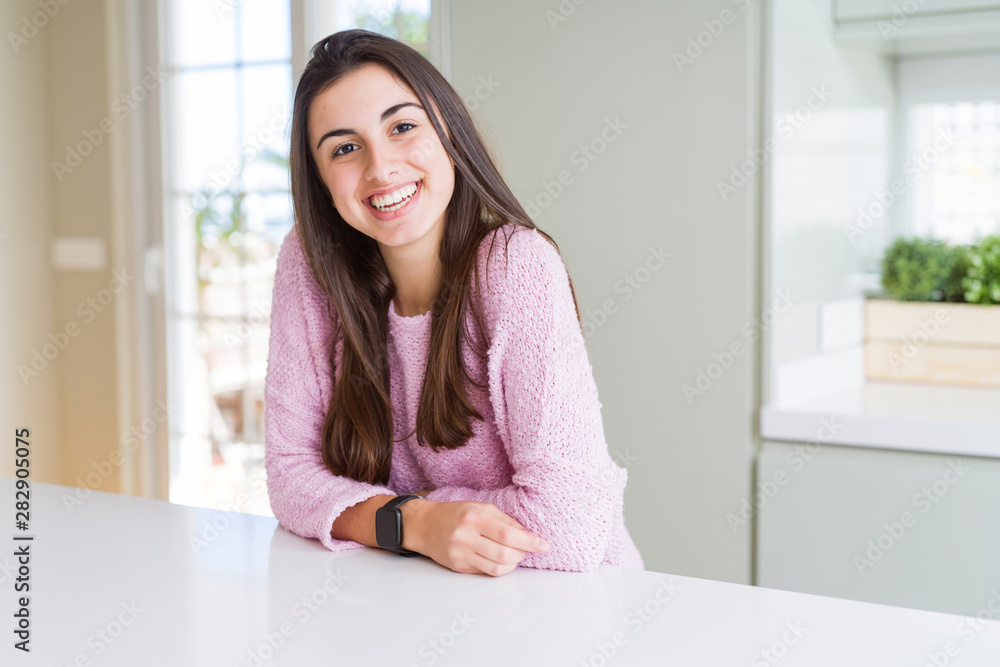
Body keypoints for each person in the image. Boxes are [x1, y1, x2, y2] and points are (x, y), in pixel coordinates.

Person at [264, 29, 643, 577]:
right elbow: (290, 477)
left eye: (402, 127)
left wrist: (372, 515)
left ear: (447, 131)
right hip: (418, 598)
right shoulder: (309, 263)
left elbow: (569, 524)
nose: (381, 168)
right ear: (320, 181)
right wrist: (416, 525)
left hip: (568, 609)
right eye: (345, 148)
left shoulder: (515, 265)